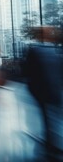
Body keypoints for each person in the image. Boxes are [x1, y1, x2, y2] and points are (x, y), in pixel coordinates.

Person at [23, 26, 63, 161]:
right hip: (51, 91)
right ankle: (52, 145)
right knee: (52, 118)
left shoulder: (35, 50)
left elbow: (27, 71)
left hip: (46, 91)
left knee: (49, 118)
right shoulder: (55, 49)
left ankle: (51, 145)